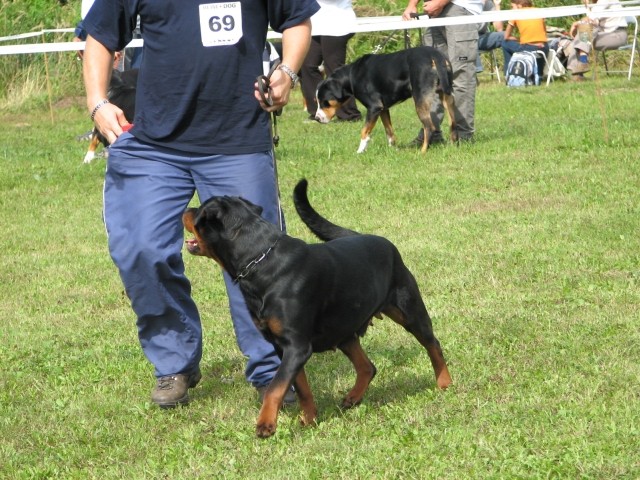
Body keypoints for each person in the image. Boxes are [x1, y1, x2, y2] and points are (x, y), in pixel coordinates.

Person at [82, 0, 319, 408]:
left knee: (261, 260)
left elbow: (297, 21)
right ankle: (174, 362)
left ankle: (271, 368)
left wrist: (287, 73)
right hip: (154, 143)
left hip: (237, 140)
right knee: (139, 248)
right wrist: (97, 102)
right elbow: (99, 36)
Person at [402, 0, 483, 144]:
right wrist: (412, 5)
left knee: (460, 74)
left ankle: (463, 136)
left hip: (460, 8)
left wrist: (440, 2)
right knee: (432, 77)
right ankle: (431, 133)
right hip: (434, 11)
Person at [300, 0, 362, 122]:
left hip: (337, 21)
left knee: (334, 69)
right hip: (314, 22)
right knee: (306, 65)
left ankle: (349, 114)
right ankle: (317, 113)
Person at [563, 0, 628, 81]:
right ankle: (578, 72)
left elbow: (590, 19)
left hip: (617, 36)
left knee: (582, 34)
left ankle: (580, 64)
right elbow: (594, 21)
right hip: (603, 35)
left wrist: (576, 23)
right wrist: (588, 6)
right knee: (582, 35)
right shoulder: (596, 4)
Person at [501, 0, 548, 76]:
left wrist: (519, 39)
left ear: (519, 5)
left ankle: (508, 73)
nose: (511, 9)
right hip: (544, 47)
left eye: (512, 7)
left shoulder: (516, 14)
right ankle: (539, 73)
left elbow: (506, 36)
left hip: (529, 48)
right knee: (534, 46)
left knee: (505, 43)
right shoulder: (538, 11)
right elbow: (544, 32)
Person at [477, 0, 505, 74]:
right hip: (466, 38)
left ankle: (514, 71)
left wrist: (497, 5)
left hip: (482, 37)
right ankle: (472, 75)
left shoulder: (488, 3)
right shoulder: (465, 3)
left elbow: (499, 29)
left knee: (505, 35)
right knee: (469, 39)